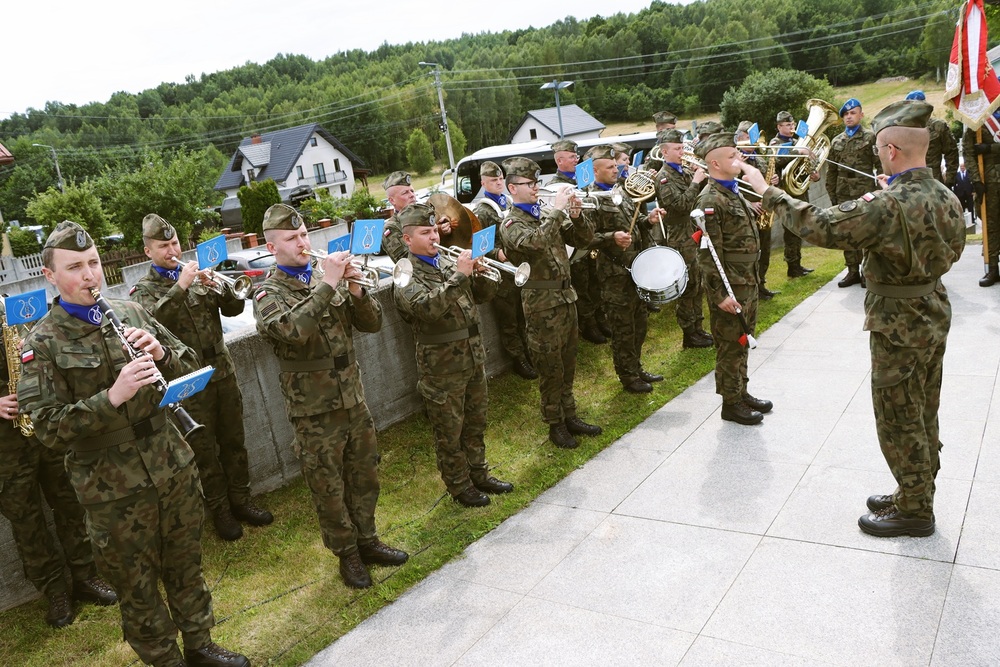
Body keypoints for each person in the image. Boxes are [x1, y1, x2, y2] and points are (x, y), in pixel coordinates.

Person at [18, 221, 249, 667]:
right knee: (136, 585)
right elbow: (45, 427)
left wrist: (162, 355)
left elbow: (191, 364)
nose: (89, 276)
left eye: (93, 264)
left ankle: (200, 646)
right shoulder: (41, 344)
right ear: (50, 276)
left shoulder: (130, 313)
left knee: (185, 565)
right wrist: (111, 398)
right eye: (75, 268)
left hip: (170, 463)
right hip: (112, 489)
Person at [743, 99, 965, 537]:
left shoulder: (886, 204)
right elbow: (952, 249)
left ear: (891, 151)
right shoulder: (944, 193)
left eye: (882, 149)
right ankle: (914, 489)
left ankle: (916, 510)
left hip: (897, 321)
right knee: (924, 409)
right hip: (932, 311)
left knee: (898, 417)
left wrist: (768, 190)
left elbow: (821, 226)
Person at [253, 204, 408, 589]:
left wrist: (355, 290)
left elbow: (371, 325)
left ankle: (368, 539)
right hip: (313, 409)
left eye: (304, 235)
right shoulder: (266, 292)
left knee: (365, 473)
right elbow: (292, 332)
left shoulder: (328, 279)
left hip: (353, 397)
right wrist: (328, 283)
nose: (302, 243)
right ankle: (348, 554)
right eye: (291, 239)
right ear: (273, 248)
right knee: (328, 485)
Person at [130, 214, 273, 541]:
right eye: (163, 246)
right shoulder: (144, 291)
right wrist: (181, 286)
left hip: (221, 368)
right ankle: (220, 509)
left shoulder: (197, 277)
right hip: (187, 378)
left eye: (175, 242)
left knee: (234, 438)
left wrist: (223, 290)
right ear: (147, 251)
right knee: (203, 448)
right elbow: (152, 324)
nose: (172, 250)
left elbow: (235, 311)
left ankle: (242, 499)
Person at [1, 300, 117, 628]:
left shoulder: (9, 310)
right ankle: (54, 591)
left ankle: (86, 576)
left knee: (70, 503)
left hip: (42, 424)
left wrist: (29, 346)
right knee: (26, 520)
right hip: (4, 446)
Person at [393, 202, 514, 507]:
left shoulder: (447, 262)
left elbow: (481, 298)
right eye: (425, 232)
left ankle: (479, 472)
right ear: (408, 239)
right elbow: (427, 310)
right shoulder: (405, 274)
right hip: (441, 366)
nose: (434, 236)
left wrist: (482, 276)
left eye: (434, 229)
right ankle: (459, 486)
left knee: (476, 420)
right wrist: (461, 276)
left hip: (472, 356)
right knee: (450, 430)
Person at [498, 157, 602, 449]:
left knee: (568, 361)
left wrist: (578, 215)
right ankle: (554, 424)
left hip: (566, 297)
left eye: (536, 183)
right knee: (549, 366)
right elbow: (535, 244)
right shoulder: (511, 222)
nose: (535, 188)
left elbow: (583, 239)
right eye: (529, 184)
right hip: (541, 303)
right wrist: (556, 211)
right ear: (512, 188)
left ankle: (570, 415)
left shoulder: (543, 212)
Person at [694, 134, 772, 426]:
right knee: (729, 344)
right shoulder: (710, 199)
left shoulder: (732, 190)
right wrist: (719, 295)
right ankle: (730, 403)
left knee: (743, 338)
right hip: (730, 287)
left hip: (746, 281)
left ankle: (741, 391)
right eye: (731, 157)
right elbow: (708, 254)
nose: (738, 160)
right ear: (714, 163)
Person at [583, 145, 667, 393]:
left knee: (639, 321)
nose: (615, 169)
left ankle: (636, 366)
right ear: (595, 171)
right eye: (609, 167)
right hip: (614, 274)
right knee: (622, 327)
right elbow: (585, 237)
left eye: (614, 165)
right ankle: (627, 375)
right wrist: (612, 237)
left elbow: (633, 221)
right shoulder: (590, 198)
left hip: (637, 269)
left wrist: (647, 220)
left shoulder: (621, 190)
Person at [471, 161, 537, 380]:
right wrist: (498, 254)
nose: (498, 182)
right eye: (493, 180)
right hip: (501, 273)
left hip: (518, 267)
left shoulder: (507, 201)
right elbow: (480, 246)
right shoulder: (483, 210)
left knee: (523, 315)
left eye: (500, 179)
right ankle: (518, 358)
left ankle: (529, 352)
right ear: (483, 183)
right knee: (509, 319)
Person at [653, 129, 714, 347]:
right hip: (680, 237)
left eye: (682, 147)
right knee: (687, 286)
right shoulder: (663, 177)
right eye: (677, 149)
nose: (682, 152)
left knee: (698, 283)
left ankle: (698, 327)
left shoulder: (684, 171)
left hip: (695, 233)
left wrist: (701, 180)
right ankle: (689, 333)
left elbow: (698, 201)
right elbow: (679, 206)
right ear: (665, 151)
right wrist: (696, 182)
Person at [550, 139, 608, 345]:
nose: (576, 159)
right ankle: (588, 324)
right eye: (572, 156)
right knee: (582, 285)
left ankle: (601, 318)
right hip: (575, 243)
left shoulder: (582, 179)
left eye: (576, 156)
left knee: (596, 281)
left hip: (591, 236)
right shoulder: (554, 187)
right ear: (560, 160)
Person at [825, 98, 879, 289]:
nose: (849, 116)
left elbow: (879, 166)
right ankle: (852, 271)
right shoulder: (837, 141)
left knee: (865, 232)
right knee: (846, 233)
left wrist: (880, 192)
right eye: (846, 114)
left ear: (861, 115)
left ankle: (867, 271)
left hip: (864, 192)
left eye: (852, 113)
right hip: (843, 193)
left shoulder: (871, 137)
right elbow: (831, 171)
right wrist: (832, 194)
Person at [735, 120, 779, 300]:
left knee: (765, 251)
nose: (753, 141)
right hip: (746, 214)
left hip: (764, 211)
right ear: (740, 138)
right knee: (749, 254)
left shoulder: (760, 158)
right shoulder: (733, 161)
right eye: (748, 137)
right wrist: (749, 204)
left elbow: (766, 182)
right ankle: (749, 290)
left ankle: (761, 285)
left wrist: (775, 180)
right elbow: (729, 188)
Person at [771, 110, 817, 278]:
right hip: (787, 194)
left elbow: (803, 164)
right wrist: (799, 152)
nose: (791, 127)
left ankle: (797, 264)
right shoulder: (775, 143)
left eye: (792, 124)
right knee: (790, 231)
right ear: (779, 126)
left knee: (800, 229)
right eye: (788, 125)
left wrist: (813, 172)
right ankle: (792, 266)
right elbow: (778, 160)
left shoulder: (797, 141)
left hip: (800, 192)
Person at [962, 117, 1000, 286]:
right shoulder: (976, 120)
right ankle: (992, 269)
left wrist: (990, 148)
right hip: (988, 183)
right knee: (990, 226)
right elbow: (968, 152)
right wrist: (976, 180)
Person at [905, 90, 960, 187]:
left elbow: (951, 152)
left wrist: (950, 178)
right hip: (908, 183)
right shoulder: (901, 129)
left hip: (934, 182)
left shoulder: (938, 126)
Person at [953, 161, 976, 227]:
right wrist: (955, 194)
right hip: (960, 194)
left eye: (963, 167)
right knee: (961, 207)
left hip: (969, 193)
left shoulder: (969, 174)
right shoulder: (957, 175)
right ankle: (962, 221)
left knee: (970, 207)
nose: (962, 168)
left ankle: (972, 219)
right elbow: (955, 185)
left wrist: (973, 191)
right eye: (961, 167)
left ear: (965, 167)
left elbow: (973, 183)